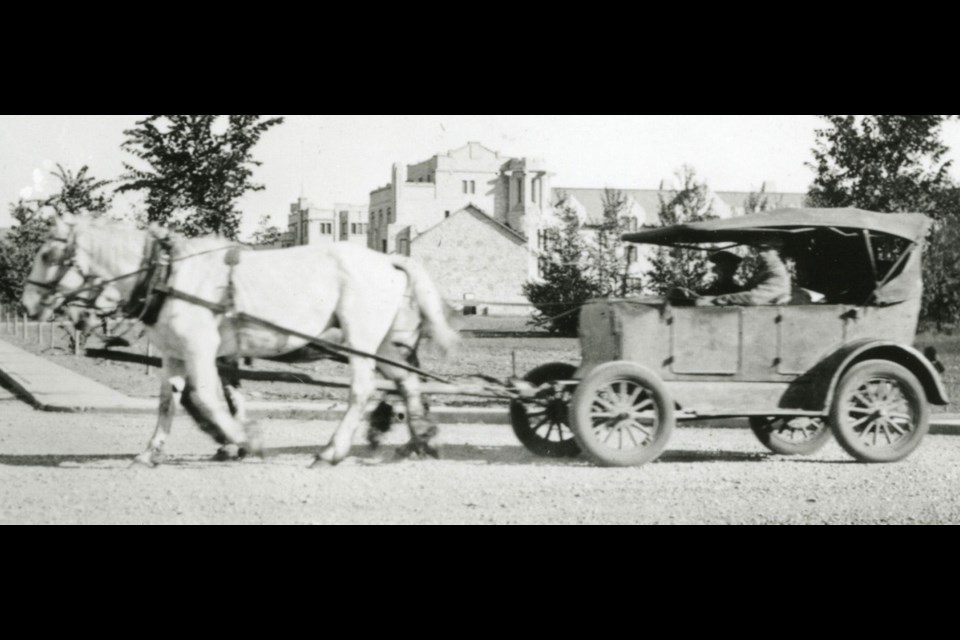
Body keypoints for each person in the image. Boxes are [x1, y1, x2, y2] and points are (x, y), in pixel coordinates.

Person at [697, 238, 791, 307]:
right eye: (759, 249)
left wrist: (715, 300)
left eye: (766, 249)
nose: (761, 253)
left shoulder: (776, 273)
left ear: (777, 251)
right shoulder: (766, 270)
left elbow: (753, 298)